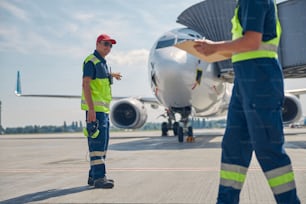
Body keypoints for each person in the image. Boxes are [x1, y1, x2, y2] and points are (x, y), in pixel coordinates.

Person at [194, 0, 300, 203]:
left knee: (267, 148)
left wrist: (214, 46)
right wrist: (210, 51)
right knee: (233, 147)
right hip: (244, 81)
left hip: (260, 78)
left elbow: (251, 42)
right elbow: (245, 46)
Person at [81, 33, 121, 189]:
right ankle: (99, 178)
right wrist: (91, 109)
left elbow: (100, 78)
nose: (108, 47)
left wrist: (112, 74)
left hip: (103, 110)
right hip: (95, 111)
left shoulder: (102, 63)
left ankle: (93, 176)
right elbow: (86, 84)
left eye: (110, 45)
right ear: (98, 44)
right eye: (105, 44)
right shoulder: (91, 61)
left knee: (103, 144)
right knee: (97, 144)